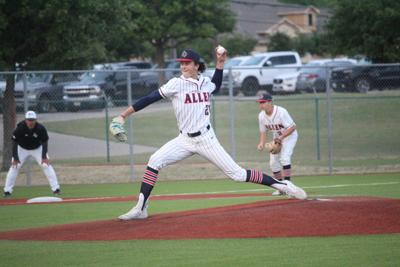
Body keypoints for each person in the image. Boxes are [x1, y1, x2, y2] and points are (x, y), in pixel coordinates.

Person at [114, 47, 307, 220]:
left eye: (187, 63)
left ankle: (283, 186)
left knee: (238, 174)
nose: (183, 67)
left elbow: (215, 82)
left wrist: (220, 63)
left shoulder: (206, 83)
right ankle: (141, 207)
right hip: (184, 139)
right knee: (154, 161)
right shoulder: (175, 84)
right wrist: (123, 116)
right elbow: (149, 98)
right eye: (181, 63)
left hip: (206, 139)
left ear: (197, 65)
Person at [3, 111, 61, 197]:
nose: (30, 122)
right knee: (15, 167)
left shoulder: (40, 128)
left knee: (46, 165)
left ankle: (56, 189)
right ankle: (7, 191)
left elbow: (45, 142)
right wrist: (15, 157)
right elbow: (14, 142)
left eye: (32, 120)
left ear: (36, 120)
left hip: (37, 148)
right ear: (25, 120)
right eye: (29, 120)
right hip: (22, 148)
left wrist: (44, 156)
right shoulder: (20, 128)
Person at [256, 94, 298, 196]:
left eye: (263, 102)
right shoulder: (261, 116)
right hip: (277, 139)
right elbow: (263, 131)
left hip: (289, 136)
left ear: (270, 102)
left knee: (284, 158)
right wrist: (261, 143)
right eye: (260, 103)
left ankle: (288, 185)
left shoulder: (281, 112)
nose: (261, 105)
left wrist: (281, 138)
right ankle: (281, 188)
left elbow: (292, 127)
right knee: (273, 163)